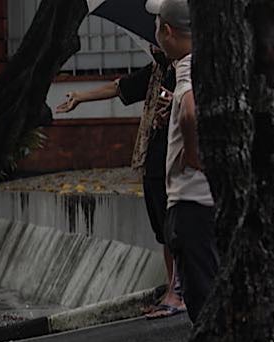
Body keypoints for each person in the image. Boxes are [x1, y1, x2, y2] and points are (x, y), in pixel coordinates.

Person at [56, 50, 185, 319]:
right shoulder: (158, 72)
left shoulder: (188, 71)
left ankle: (180, 293)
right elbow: (120, 87)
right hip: (154, 157)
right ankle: (172, 288)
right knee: (163, 230)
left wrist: (177, 104)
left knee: (176, 230)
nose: (155, 41)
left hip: (177, 159)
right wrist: (80, 97)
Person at [147, 0, 217, 324]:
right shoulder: (208, 64)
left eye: (157, 25)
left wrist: (191, 153)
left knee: (203, 299)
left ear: (168, 31)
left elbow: (190, 112)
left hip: (190, 201)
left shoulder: (188, 68)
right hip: (204, 201)